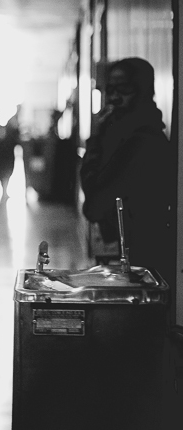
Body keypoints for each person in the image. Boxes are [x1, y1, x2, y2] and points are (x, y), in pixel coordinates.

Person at [80, 57, 173, 281]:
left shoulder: (141, 142)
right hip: (132, 257)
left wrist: (96, 139)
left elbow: (94, 207)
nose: (113, 97)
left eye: (124, 89)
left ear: (143, 91)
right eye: (110, 89)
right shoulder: (121, 135)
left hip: (142, 261)